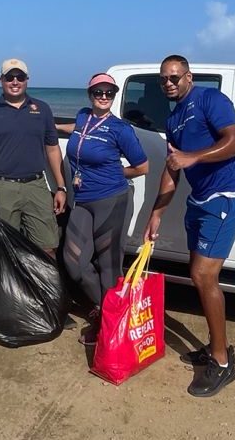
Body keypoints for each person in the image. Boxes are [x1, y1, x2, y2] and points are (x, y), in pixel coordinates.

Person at [143, 55, 235, 398]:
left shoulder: (209, 99)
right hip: (200, 202)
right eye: (164, 80)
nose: (169, 84)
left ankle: (221, 361)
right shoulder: (173, 119)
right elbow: (172, 169)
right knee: (198, 275)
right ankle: (215, 345)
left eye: (174, 77)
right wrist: (157, 212)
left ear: (188, 77)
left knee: (205, 276)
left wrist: (195, 156)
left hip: (226, 197)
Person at [56, 73, 148, 345]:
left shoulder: (121, 129)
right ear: (90, 95)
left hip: (112, 200)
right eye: (99, 92)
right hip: (83, 200)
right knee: (74, 263)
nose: (104, 96)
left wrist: (117, 174)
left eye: (109, 92)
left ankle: (110, 325)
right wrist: (48, 126)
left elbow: (143, 167)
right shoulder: (84, 116)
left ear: (115, 95)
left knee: (109, 267)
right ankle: (109, 309)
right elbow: (77, 129)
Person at [0, 58, 68, 257]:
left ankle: (43, 288)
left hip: (36, 186)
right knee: (4, 247)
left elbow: (52, 148)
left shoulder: (42, 109)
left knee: (47, 246)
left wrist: (61, 187)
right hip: (1, 187)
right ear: (1, 80)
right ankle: (8, 288)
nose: (15, 82)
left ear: (27, 80)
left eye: (20, 77)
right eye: (10, 77)